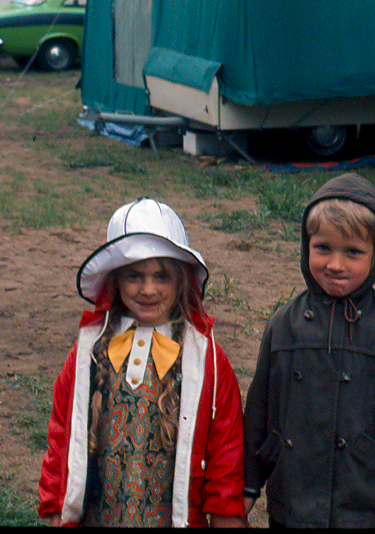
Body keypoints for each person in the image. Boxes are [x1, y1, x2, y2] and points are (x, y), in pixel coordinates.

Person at [38, 197, 246, 527]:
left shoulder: (207, 360)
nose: (148, 289)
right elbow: (61, 434)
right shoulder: (87, 352)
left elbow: (226, 452)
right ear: (115, 280)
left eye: (161, 276)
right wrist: (54, 506)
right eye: (134, 276)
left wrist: (226, 516)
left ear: (181, 280)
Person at [242, 173, 375, 528]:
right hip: (290, 505)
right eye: (323, 248)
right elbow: (258, 414)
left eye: (353, 252)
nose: (335, 264)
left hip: (361, 507)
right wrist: (247, 488)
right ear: (305, 245)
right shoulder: (284, 324)